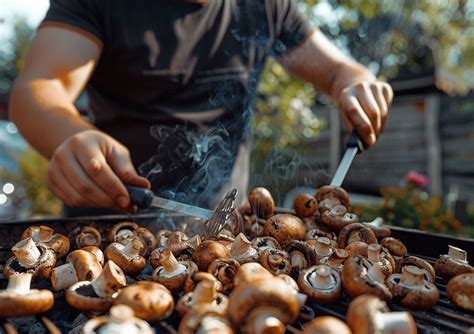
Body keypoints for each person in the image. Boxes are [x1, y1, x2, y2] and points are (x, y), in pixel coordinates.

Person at [9, 0, 393, 216]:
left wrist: (353, 80)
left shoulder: (265, 6)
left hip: (220, 232)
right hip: (109, 226)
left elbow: (337, 71)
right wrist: (72, 135)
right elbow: (40, 89)